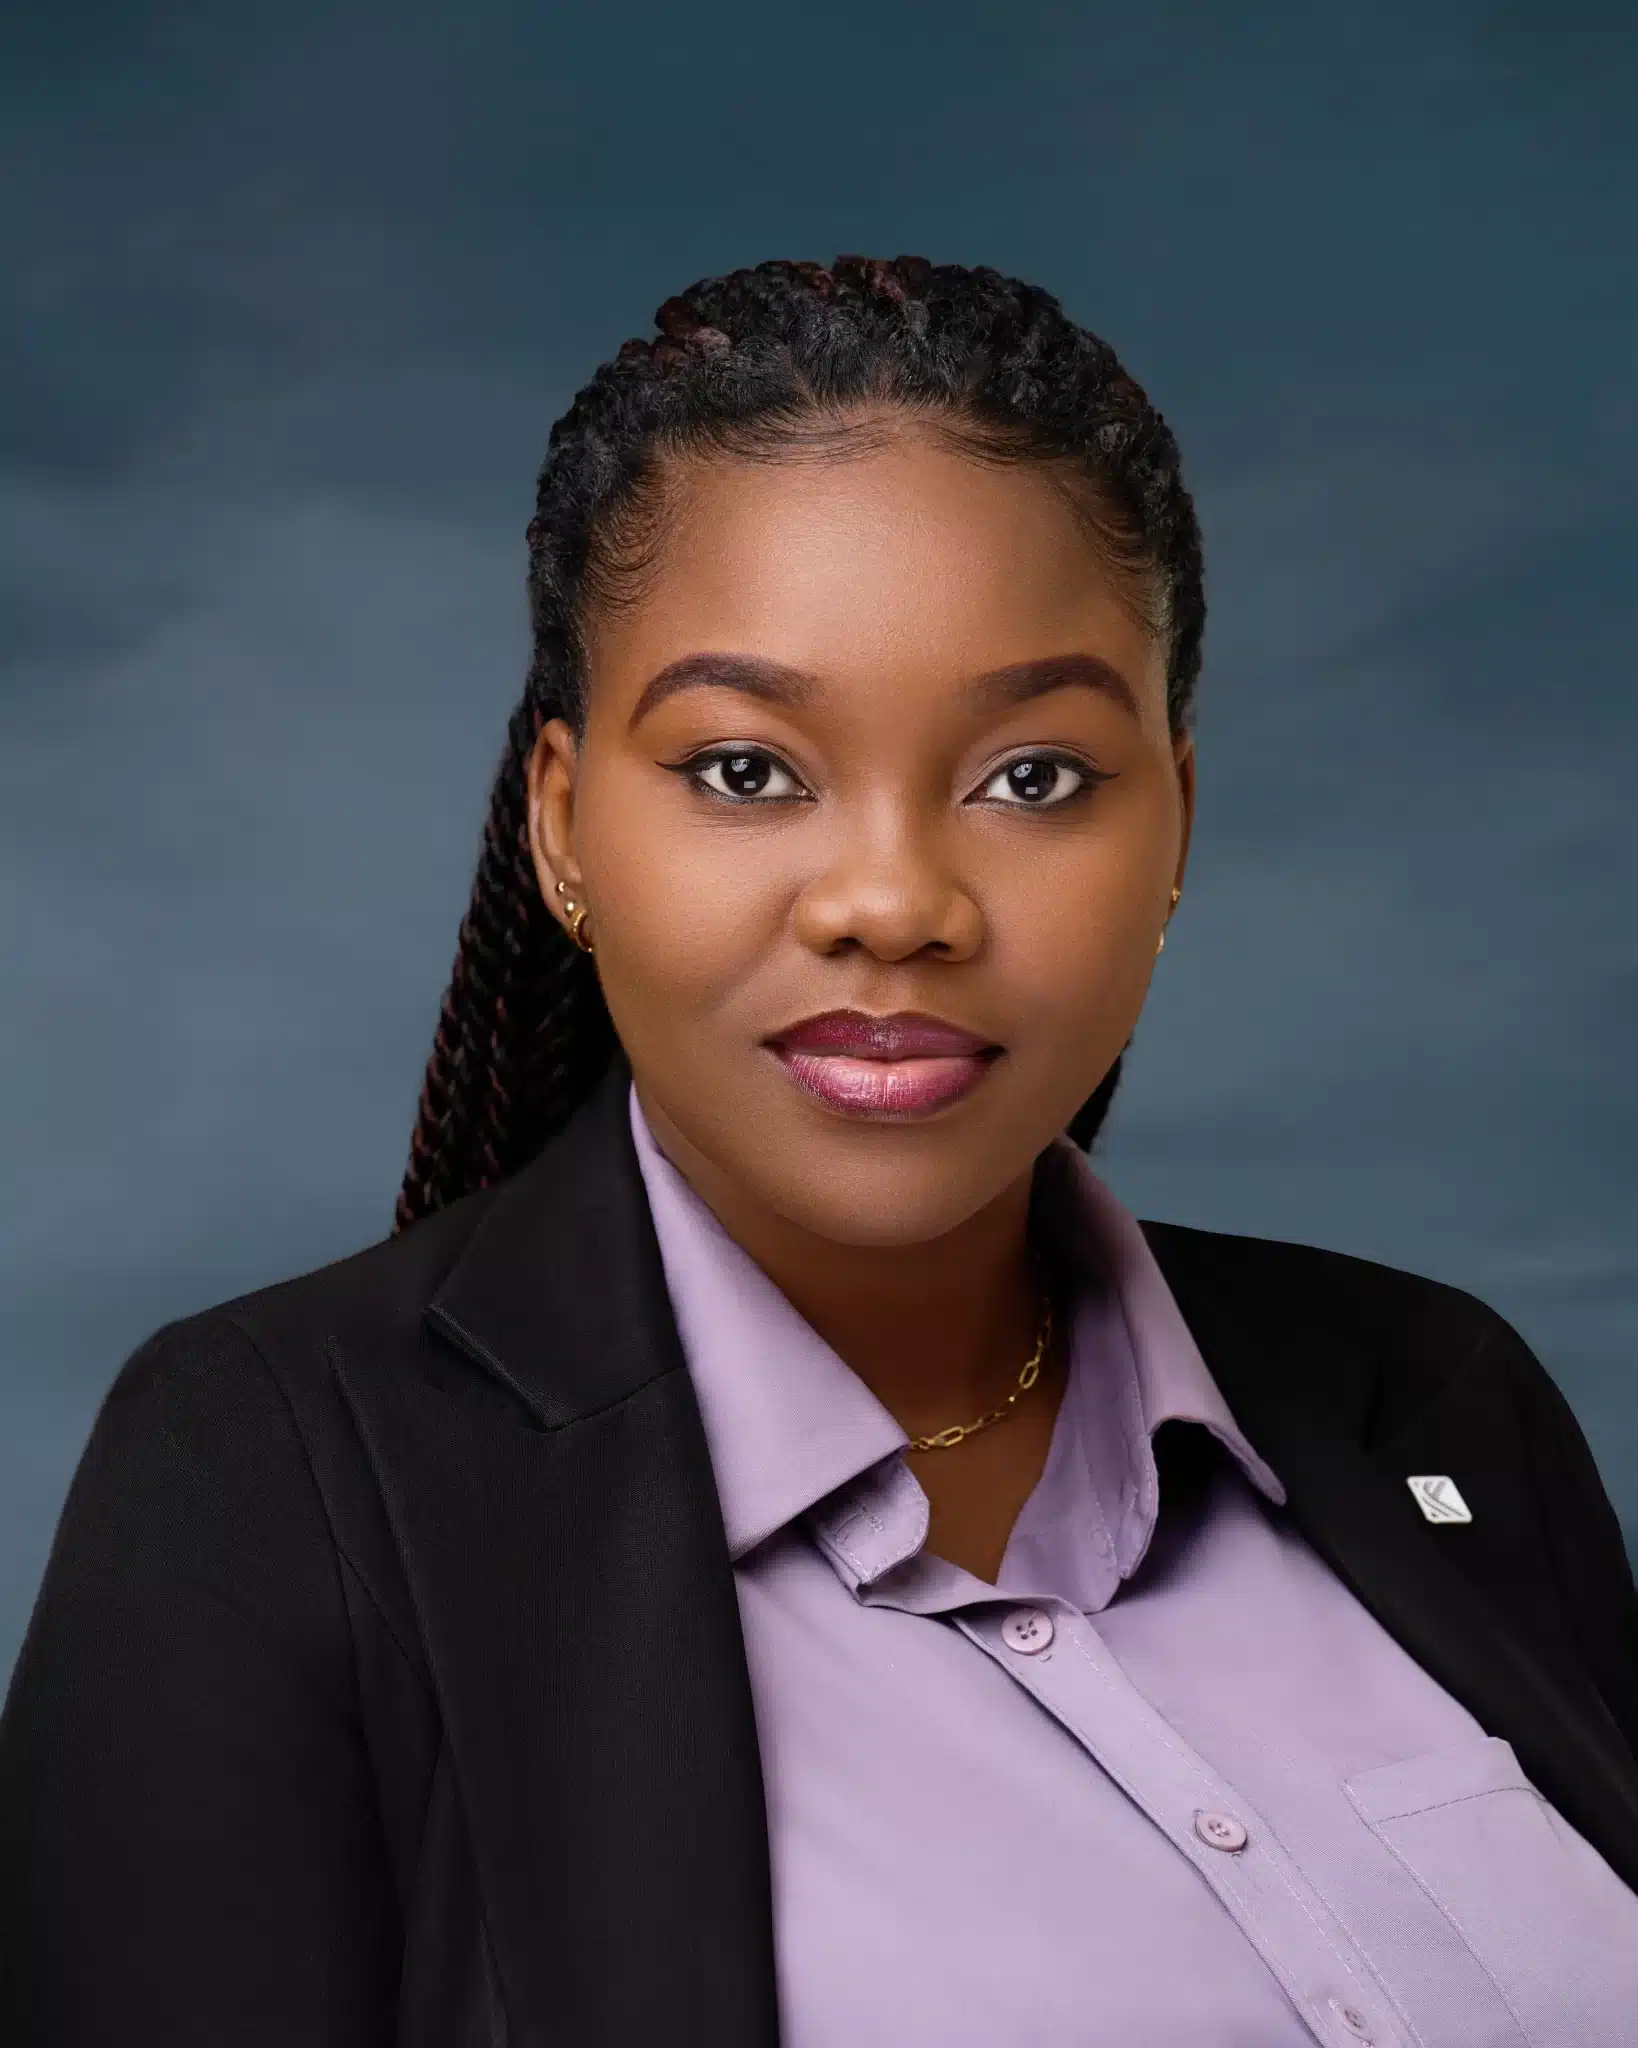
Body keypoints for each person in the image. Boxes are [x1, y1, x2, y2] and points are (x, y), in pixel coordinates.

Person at [2, 253, 1636, 2047]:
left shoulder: (1429, 1394)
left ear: (1174, 820)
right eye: (746, 769)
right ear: (563, 827)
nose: (893, 904)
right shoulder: (273, 1478)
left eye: (1032, 777)